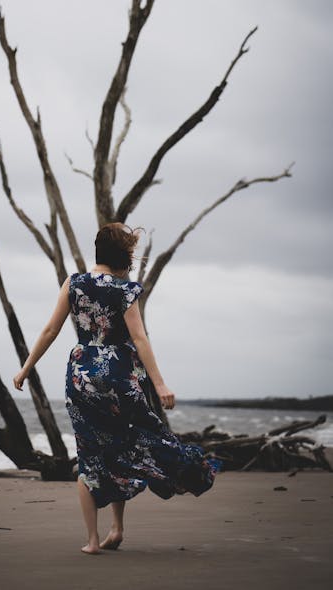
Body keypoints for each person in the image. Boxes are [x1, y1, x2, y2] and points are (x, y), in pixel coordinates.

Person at [13, 222, 221, 555]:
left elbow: (50, 330)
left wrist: (26, 367)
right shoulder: (124, 289)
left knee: (91, 453)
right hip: (121, 375)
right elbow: (139, 338)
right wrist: (160, 382)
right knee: (133, 440)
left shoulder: (74, 283)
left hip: (82, 375)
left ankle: (94, 540)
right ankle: (132, 517)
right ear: (121, 255)